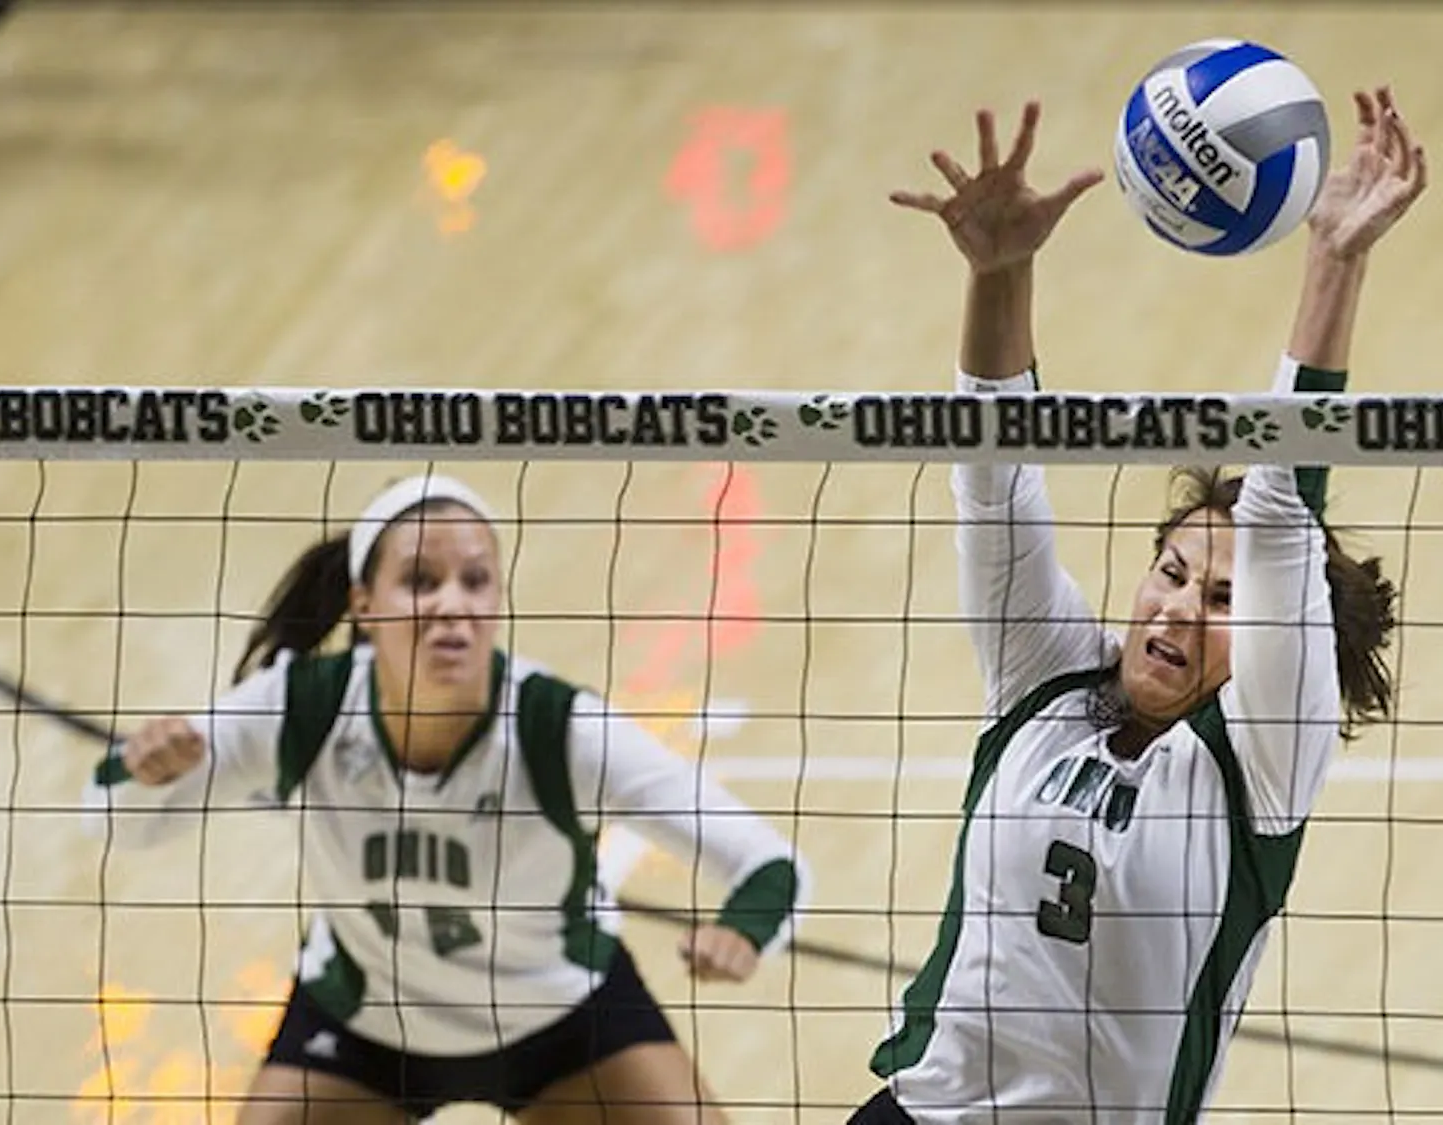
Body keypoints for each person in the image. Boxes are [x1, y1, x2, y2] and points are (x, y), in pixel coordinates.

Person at [851, 87, 1424, 1124]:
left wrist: (1334, 259)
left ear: (1269, 643)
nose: (1177, 610)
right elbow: (994, 477)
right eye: (1171, 572)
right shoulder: (1045, 682)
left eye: (1222, 599)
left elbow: (1288, 503)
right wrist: (1000, 274)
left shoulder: (1256, 762)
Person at [84, 472, 809, 1125]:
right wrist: (144, 770)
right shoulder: (301, 707)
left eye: (474, 580)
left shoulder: (557, 726)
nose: (452, 605)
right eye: (422, 582)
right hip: (365, 1027)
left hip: (562, 1020)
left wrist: (744, 930)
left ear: (498, 600)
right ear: (364, 606)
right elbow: (111, 815)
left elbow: (770, 864)